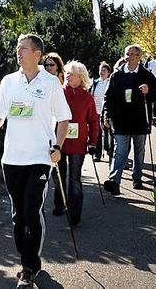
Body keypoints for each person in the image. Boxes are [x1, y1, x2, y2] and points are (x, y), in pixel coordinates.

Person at [0, 33, 71, 287]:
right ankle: (26, 258)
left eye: (23, 48)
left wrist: (58, 146)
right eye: (17, 48)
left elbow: (63, 119)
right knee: (18, 216)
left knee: (31, 210)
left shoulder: (50, 83)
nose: (18, 52)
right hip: (12, 159)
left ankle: (29, 266)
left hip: (40, 158)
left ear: (37, 53)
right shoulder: (9, 82)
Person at [102, 44, 156, 195]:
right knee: (120, 151)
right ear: (124, 55)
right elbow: (108, 98)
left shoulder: (146, 75)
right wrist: (107, 115)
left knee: (139, 151)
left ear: (139, 57)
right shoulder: (116, 75)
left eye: (134, 54)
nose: (130, 57)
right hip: (121, 121)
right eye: (128, 54)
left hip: (140, 120)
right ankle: (114, 181)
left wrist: (149, 91)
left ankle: (137, 177)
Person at [52, 60, 99, 224]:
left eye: (72, 74)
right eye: (67, 73)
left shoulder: (87, 97)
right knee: (58, 176)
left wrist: (93, 142)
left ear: (80, 77)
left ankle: (74, 214)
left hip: (78, 145)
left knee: (74, 179)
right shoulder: (59, 92)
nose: (68, 76)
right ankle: (59, 204)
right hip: (58, 143)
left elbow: (93, 121)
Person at [90, 61, 113, 161]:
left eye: (104, 70)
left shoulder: (111, 82)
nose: (102, 72)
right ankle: (98, 154)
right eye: (101, 70)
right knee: (98, 134)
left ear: (108, 72)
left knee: (109, 134)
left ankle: (110, 152)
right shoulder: (95, 82)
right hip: (96, 112)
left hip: (107, 113)